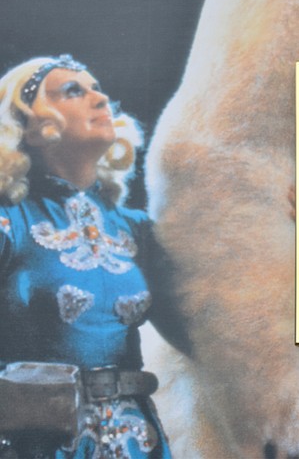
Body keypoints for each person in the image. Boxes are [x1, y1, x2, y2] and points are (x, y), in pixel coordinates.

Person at [0, 55, 173, 458]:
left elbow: (208, 328)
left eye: (97, 88)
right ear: (30, 125)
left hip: (138, 443)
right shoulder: (10, 221)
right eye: (74, 91)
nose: (100, 98)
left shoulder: (137, 229)